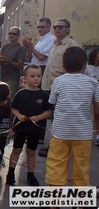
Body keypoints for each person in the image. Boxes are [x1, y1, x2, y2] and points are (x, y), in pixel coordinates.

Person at [45, 46, 99, 190]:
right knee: (82, 167)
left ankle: (53, 204)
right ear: (85, 65)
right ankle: (80, 203)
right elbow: (97, 110)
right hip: (83, 133)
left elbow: (52, 103)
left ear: (63, 66)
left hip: (60, 131)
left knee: (56, 165)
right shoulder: (93, 83)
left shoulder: (58, 81)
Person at [5, 63, 52, 186]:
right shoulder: (21, 93)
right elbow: (13, 109)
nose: (36, 78)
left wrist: (38, 118)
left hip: (34, 129)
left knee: (31, 151)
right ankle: (10, 173)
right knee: (17, 149)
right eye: (32, 76)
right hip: (21, 127)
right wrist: (19, 116)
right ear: (25, 78)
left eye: (38, 76)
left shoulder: (43, 95)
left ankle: (31, 174)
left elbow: (48, 111)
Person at [39, 18, 78, 157]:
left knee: (60, 119)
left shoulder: (71, 45)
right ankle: (53, 145)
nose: (57, 29)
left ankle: (57, 148)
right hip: (50, 86)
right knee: (54, 119)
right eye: (55, 27)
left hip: (63, 87)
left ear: (68, 29)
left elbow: (74, 68)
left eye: (60, 27)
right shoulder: (55, 44)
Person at [21, 17, 55, 144]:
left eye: (42, 27)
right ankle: (30, 130)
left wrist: (31, 47)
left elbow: (41, 57)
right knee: (32, 101)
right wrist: (28, 48)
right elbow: (32, 57)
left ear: (48, 27)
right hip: (34, 68)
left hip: (42, 71)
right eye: (38, 27)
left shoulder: (51, 40)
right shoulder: (41, 41)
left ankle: (40, 135)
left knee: (40, 102)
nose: (40, 29)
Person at [0, 27, 26, 101]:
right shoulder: (5, 47)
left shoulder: (21, 48)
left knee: (9, 101)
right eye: (10, 33)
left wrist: (7, 61)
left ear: (18, 36)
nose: (11, 35)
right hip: (3, 77)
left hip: (13, 78)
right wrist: (0, 60)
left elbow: (20, 66)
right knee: (1, 100)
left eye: (14, 34)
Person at [84, 48, 99, 146]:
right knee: (93, 114)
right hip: (90, 93)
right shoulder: (87, 68)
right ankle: (94, 135)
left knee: (98, 113)